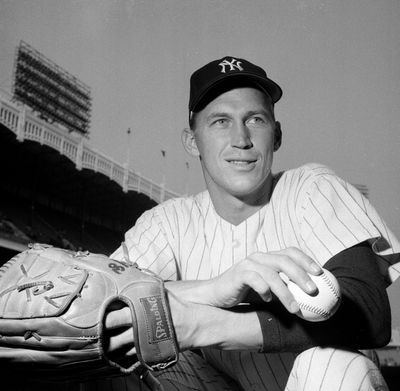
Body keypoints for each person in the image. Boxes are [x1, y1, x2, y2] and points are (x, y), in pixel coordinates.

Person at [103, 56, 400, 391]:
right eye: (220, 122)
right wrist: (212, 290)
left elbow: (371, 315)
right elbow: (95, 309)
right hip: (208, 382)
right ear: (191, 141)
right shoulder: (167, 222)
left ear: (277, 135)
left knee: (335, 364)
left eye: (255, 119)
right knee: (123, 357)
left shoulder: (310, 189)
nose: (241, 138)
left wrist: (211, 325)